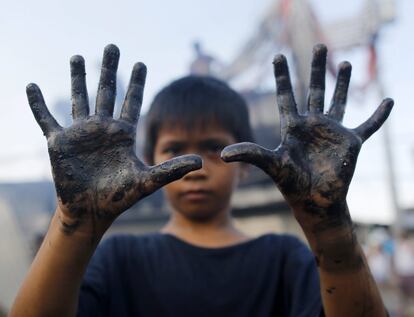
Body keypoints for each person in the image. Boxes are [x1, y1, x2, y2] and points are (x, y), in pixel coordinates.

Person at [10, 43, 393, 317]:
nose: (195, 166)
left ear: (245, 164)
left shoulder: (285, 260)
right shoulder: (118, 259)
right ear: (146, 162)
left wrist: (331, 229)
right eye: (174, 149)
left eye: (214, 148)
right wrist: (72, 223)